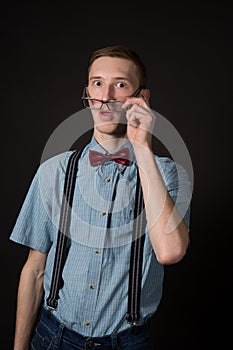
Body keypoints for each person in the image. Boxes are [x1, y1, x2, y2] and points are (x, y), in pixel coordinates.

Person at [10, 45, 192, 350]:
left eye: (120, 84)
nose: (106, 95)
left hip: (127, 343)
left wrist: (142, 148)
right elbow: (35, 269)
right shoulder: (53, 171)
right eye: (97, 83)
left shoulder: (167, 174)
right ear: (87, 94)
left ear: (142, 99)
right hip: (53, 338)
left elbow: (170, 252)